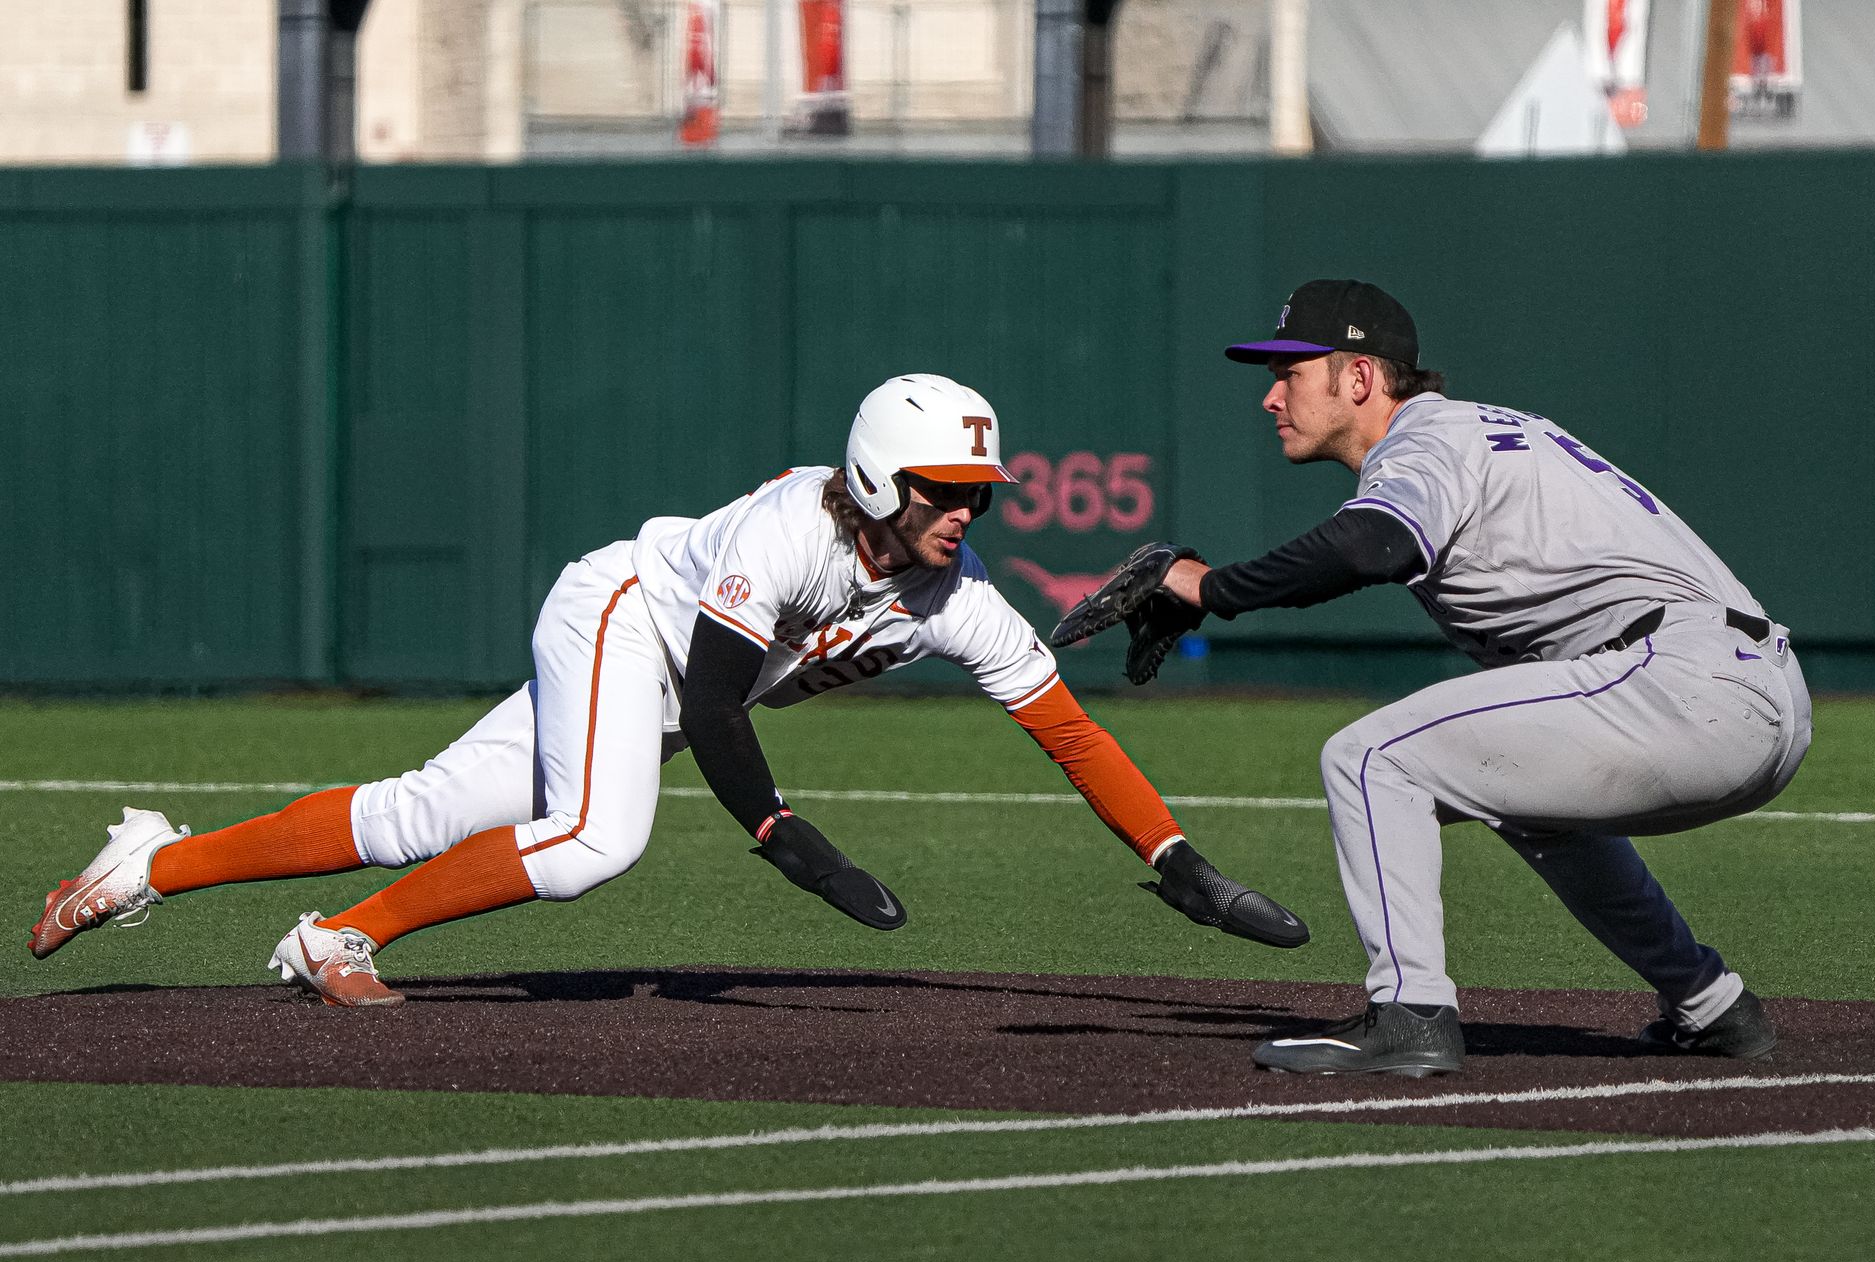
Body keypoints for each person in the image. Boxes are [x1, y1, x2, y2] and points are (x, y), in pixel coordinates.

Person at [30, 374, 1307, 1003]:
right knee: (596, 839)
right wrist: (786, 840)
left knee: (422, 814)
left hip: (681, 676)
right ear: (876, 483)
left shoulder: (958, 601)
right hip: (623, 620)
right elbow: (709, 707)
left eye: (979, 498)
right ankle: (338, 940)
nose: (965, 514)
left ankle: (146, 866)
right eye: (944, 492)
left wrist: (1179, 859)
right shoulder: (780, 534)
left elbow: (1069, 734)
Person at [1056, 280, 1811, 1077]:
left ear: (1359, 378)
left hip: (1686, 682)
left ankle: (1410, 1012)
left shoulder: (1424, 439)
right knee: (1530, 807)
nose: (1271, 397)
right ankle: (1709, 1002)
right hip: (1746, 688)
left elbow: (1372, 545)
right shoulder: (1473, 431)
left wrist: (1211, 588)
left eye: (1291, 372)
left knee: (1374, 757)